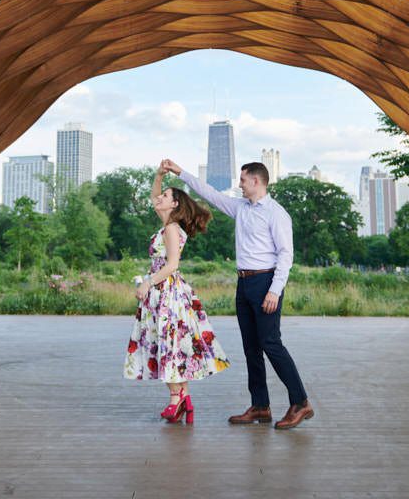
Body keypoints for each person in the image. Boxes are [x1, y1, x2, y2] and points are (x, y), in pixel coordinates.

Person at [160, 158, 314, 430]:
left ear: (256, 181)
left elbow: (286, 254)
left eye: (243, 180)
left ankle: (300, 402)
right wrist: (180, 171)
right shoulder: (240, 207)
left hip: (266, 282)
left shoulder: (277, 213)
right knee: (251, 348)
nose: (239, 185)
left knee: (271, 344)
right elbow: (209, 193)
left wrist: (275, 291)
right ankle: (261, 406)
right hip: (243, 283)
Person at [123, 164, 229, 423]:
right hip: (164, 292)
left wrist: (147, 283)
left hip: (167, 291)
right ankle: (183, 398)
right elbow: (153, 196)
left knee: (170, 344)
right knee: (169, 344)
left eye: (165, 196)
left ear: (174, 205)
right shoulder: (167, 224)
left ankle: (177, 398)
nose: (158, 198)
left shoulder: (171, 228)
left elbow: (172, 265)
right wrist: (159, 176)